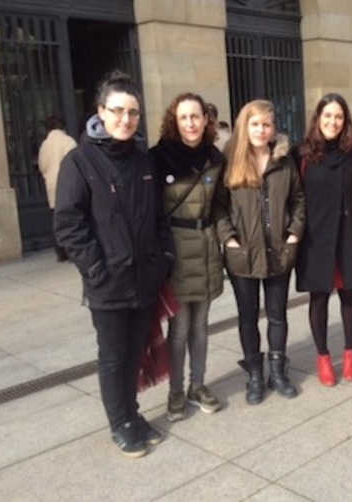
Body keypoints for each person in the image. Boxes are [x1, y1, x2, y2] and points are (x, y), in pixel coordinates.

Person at [54, 71, 174, 458]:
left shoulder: (143, 160)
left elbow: (158, 216)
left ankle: (133, 415)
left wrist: (164, 258)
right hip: (108, 282)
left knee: (136, 350)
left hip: (145, 277)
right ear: (101, 112)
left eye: (133, 113)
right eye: (118, 111)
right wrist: (95, 269)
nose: (126, 119)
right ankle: (119, 422)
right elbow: (68, 224)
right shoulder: (80, 161)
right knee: (113, 355)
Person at [215, 99, 306, 405]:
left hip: (279, 251)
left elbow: (298, 200)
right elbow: (219, 207)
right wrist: (229, 239)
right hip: (243, 254)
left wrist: (293, 234)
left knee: (277, 315)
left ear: (273, 128)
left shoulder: (284, 160)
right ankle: (255, 373)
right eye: (255, 124)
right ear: (245, 125)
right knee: (248, 316)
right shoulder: (230, 160)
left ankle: (278, 371)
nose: (260, 130)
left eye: (266, 124)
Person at [150, 93, 226, 422]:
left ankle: (199, 385)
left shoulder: (214, 157)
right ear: (174, 121)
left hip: (207, 247)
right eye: (183, 117)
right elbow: (152, 209)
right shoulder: (158, 157)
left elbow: (221, 203)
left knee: (201, 325)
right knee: (179, 329)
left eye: (195, 116)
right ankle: (176, 390)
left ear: (206, 119)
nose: (191, 123)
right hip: (176, 250)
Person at [294, 93, 352, 386]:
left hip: (348, 233)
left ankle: (350, 353)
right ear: (318, 118)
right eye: (327, 116)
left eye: (338, 117)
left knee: (350, 293)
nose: (333, 122)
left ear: (345, 120)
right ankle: (323, 357)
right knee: (319, 296)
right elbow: (295, 195)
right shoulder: (302, 154)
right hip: (316, 237)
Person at [37, 115, 77, 262]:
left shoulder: (45, 145)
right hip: (68, 182)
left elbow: (42, 165)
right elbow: (75, 162)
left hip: (52, 183)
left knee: (57, 217)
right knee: (73, 217)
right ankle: (71, 249)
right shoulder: (68, 141)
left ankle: (60, 252)